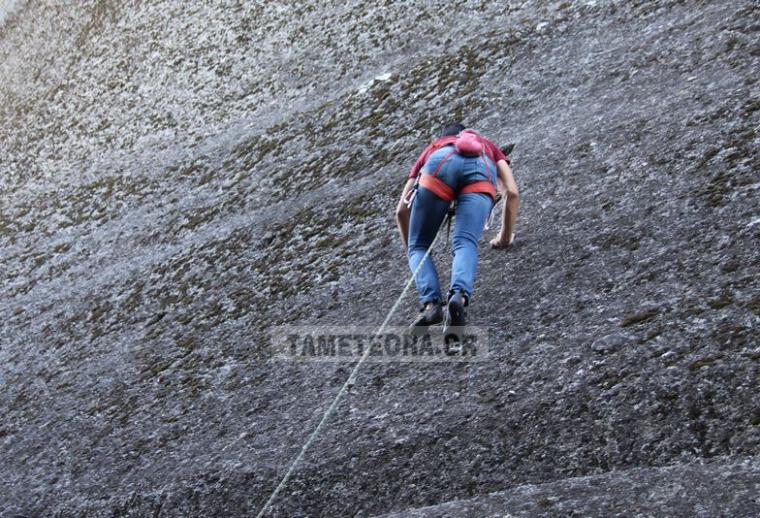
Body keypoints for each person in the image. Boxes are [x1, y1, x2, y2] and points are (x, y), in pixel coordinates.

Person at [395, 122, 520, 336]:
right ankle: (458, 297)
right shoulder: (487, 146)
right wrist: (504, 238)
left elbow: (401, 211)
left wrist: (415, 253)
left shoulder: (433, 148)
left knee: (419, 246)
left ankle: (432, 305)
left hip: (438, 167)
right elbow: (512, 192)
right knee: (465, 242)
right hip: (481, 170)